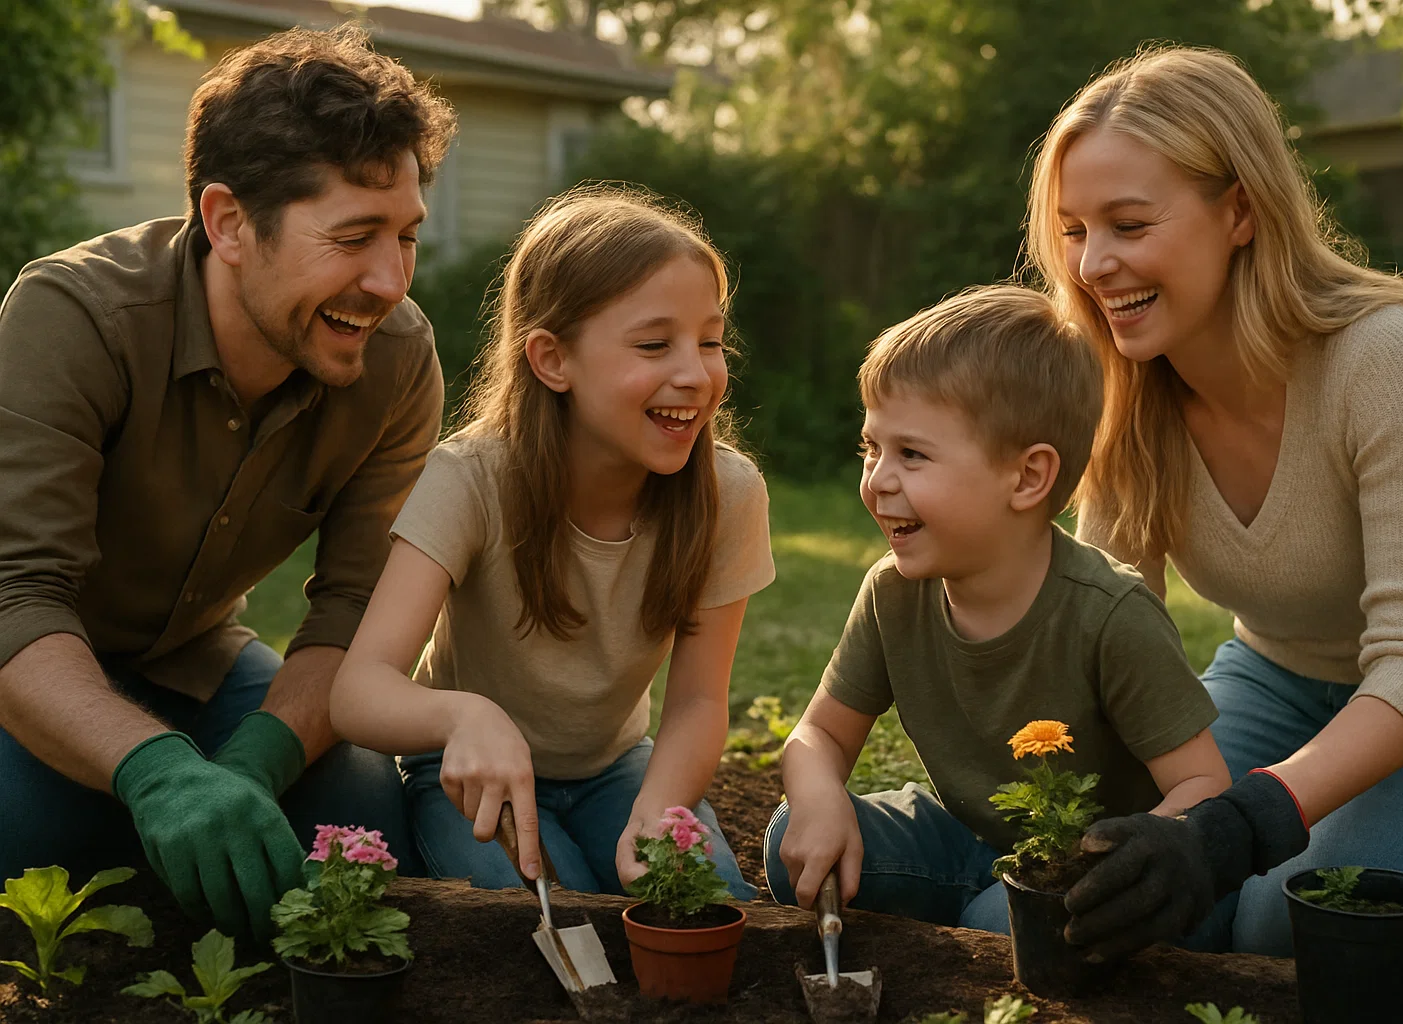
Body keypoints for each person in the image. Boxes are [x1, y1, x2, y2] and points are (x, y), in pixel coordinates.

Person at [1030, 46, 1403, 965]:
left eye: (1129, 225)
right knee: (1150, 907)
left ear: (1241, 211)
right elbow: (1113, 637)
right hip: (1277, 680)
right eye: (1073, 230)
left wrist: (1239, 824)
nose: (1095, 265)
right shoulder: (1120, 387)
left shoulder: (1383, 354)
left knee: (1282, 927)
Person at [0, 25, 456, 937]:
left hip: (197, 662)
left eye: (405, 236)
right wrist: (159, 772)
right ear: (229, 222)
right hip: (32, 667)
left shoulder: (398, 360)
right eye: (354, 236)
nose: (387, 279)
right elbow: (16, 598)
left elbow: (357, 612)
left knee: (356, 822)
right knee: (37, 839)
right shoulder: (71, 319)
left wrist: (252, 764)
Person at [328, 187, 774, 899]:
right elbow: (358, 692)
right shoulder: (469, 479)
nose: (695, 372)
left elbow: (696, 703)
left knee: (707, 907)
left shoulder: (729, 494)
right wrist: (463, 716)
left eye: (711, 341)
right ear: (552, 360)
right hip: (466, 780)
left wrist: (658, 812)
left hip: (620, 771)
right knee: (533, 919)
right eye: (655, 344)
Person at [760, 285, 1231, 932]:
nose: (877, 480)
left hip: (1085, 876)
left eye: (912, 454)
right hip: (968, 841)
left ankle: (975, 927)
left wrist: (1114, 870)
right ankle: (965, 919)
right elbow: (819, 736)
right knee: (793, 836)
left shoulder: (1110, 616)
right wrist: (817, 800)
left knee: (1002, 923)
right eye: (871, 448)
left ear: (1028, 477)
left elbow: (1205, 787)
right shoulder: (894, 594)